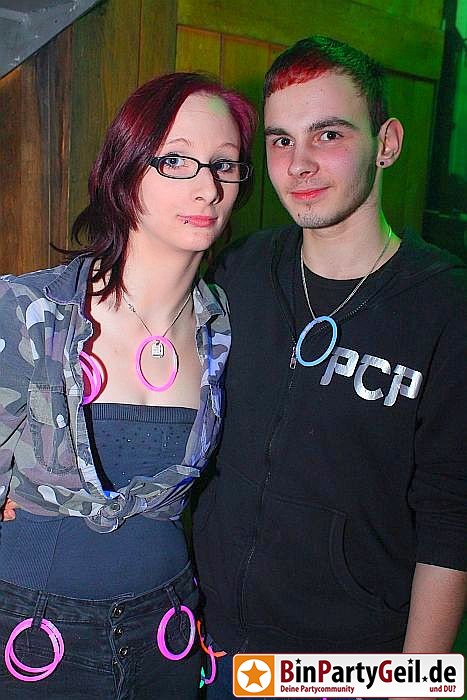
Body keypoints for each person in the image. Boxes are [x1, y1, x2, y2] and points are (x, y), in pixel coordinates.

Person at [192, 36, 467, 697]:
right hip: (205, 643)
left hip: (343, 668)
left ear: (386, 142)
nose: (299, 164)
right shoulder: (240, 270)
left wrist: (415, 686)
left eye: (329, 134)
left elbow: (451, 519)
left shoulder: (444, 306)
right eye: (281, 141)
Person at [0, 72, 256, 699]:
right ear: (125, 170)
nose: (207, 187)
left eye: (224, 165)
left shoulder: (225, 329)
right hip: (30, 640)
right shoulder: (26, 313)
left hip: (168, 635)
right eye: (176, 161)